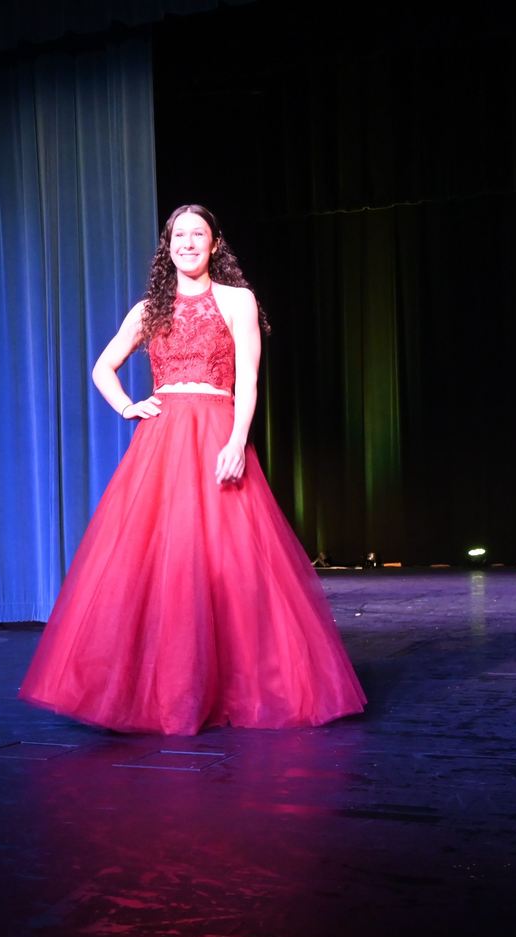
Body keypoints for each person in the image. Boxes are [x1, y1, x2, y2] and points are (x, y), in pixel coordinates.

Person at [19, 204, 366, 735]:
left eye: (197, 234)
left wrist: (238, 439)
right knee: (164, 562)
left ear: (215, 243)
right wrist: (127, 406)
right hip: (162, 442)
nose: (187, 242)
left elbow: (248, 378)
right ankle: (160, 691)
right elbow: (103, 366)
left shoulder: (237, 299)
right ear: (168, 246)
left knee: (232, 563)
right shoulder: (148, 310)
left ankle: (244, 685)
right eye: (178, 234)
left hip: (216, 433)